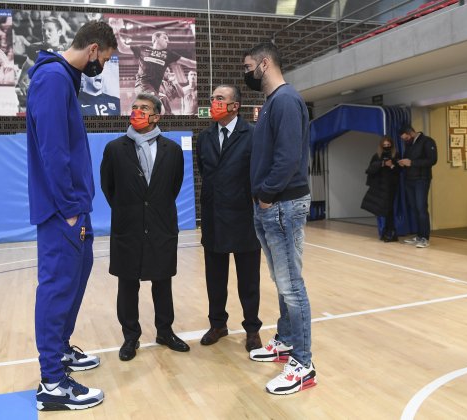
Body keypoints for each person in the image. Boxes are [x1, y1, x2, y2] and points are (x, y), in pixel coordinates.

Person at [26, 20, 117, 411]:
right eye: (105, 59)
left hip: (76, 206)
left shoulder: (65, 79)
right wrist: (66, 209)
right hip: (62, 210)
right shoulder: (52, 79)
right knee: (57, 287)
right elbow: (53, 151)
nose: (103, 67)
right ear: (93, 49)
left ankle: (60, 352)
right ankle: (52, 383)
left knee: (75, 280)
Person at [243, 42, 317, 395]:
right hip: (271, 205)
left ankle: (303, 363)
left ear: (265, 63)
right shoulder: (273, 103)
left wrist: (268, 195)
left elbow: (288, 159)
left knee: (292, 285)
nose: (247, 74)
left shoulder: (286, 100)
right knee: (281, 279)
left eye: (248, 66)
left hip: (282, 205)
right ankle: (286, 340)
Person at [100, 93, 188, 362]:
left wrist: (153, 210)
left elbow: (172, 187)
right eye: (134, 107)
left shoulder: (172, 150)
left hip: (161, 226)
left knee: (162, 282)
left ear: (157, 116)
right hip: (128, 227)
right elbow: (109, 188)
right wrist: (132, 211)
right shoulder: (114, 149)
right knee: (128, 285)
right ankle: (130, 337)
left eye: (144, 108)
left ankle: (165, 331)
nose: (137, 111)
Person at [196, 85, 263, 353]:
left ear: (235, 106)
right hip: (214, 217)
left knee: (248, 281)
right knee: (215, 279)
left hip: (245, 218)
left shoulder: (253, 135)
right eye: (212, 98)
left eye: (220, 98)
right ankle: (218, 325)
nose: (213, 102)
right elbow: (206, 172)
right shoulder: (204, 137)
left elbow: (258, 172)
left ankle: (252, 329)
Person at [110, 18, 196, 95]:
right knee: (155, 104)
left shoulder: (169, 54)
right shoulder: (143, 48)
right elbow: (123, 49)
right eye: (165, 38)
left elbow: (189, 63)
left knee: (160, 109)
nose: (168, 40)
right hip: (142, 85)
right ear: (156, 39)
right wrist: (116, 34)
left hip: (154, 89)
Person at [398, 124, 438, 248]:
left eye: (406, 138)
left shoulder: (427, 141)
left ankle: (425, 238)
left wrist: (412, 162)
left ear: (411, 133)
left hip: (422, 180)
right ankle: (419, 236)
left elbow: (432, 160)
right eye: (404, 139)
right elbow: (409, 159)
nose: (405, 140)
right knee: (414, 208)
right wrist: (403, 162)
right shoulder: (409, 144)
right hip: (409, 179)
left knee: (421, 208)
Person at [361, 136, 400, 242]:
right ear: (381, 145)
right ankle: (386, 232)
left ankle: (390, 232)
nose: (387, 147)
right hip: (379, 187)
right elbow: (369, 169)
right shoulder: (377, 156)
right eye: (385, 145)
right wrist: (382, 164)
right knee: (381, 210)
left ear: (391, 145)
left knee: (389, 210)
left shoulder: (396, 155)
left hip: (391, 187)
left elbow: (399, 171)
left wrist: (391, 165)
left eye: (388, 145)